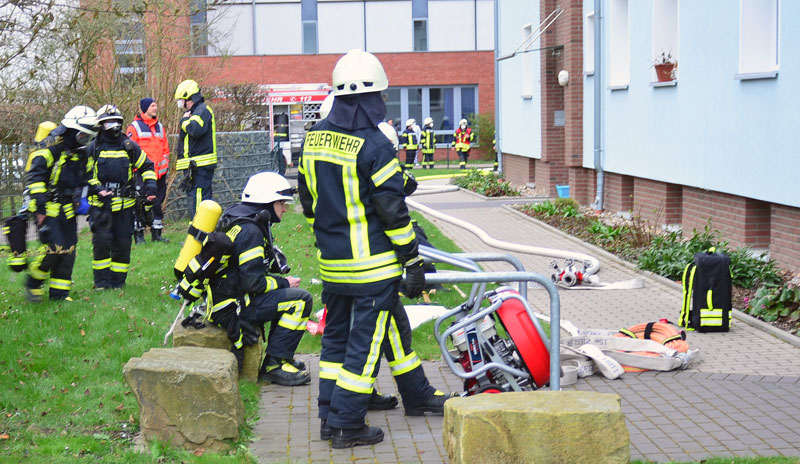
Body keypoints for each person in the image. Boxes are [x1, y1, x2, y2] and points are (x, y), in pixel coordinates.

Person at [297, 49, 430, 449]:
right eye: (381, 98)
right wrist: (412, 261)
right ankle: (348, 425)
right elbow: (394, 213)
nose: (383, 105)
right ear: (369, 97)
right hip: (372, 270)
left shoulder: (313, 139)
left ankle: (327, 418)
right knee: (363, 349)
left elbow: (309, 204)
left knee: (335, 343)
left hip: (333, 266)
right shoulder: (374, 145)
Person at [180, 172, 313, 385]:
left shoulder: (237, 216)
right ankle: (275, 364)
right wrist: (283, 282)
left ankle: (282, 356)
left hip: (225, 302)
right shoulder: (251, 231)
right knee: (300, 300)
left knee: (286, 295)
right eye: (281, 203)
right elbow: (254, 283)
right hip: (237, 308)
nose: (285, 208)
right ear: (267, 203)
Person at [23, 106, 99, 302]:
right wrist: (40, 210)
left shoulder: (82, 153)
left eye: (88, 138)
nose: (85, 141)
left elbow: (88, 177)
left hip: (67, 208)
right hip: (46, 208)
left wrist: (94, 195)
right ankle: (33, 282)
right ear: (72, 131)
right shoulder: (49, 147)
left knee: (69, 251)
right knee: (54, 248)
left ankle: (59, 295)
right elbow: (36, 179)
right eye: (83, 137)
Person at [87, 105, 156, 289]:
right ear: (101, 125)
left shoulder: (129, 146)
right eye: (109, 122)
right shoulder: (93, 148)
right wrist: (98, 189)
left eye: (117, 122)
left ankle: (118, 283)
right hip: (101, 206)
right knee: (101, 243)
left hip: (125, 205)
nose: (114, 126)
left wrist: (150, 187)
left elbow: (147, 166)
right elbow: (85, 174)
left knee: (123, 244)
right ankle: (102, 283)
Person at [127, 97, 171, 243]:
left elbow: (165, 150)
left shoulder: (160, 127)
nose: (156, 108)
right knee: (140, 203)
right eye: (153, 105)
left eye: (156, 105)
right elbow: (131, 151)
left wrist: (164, 166)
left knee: (157, 204)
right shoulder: (134, 127)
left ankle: (156, 235)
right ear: (145, 108)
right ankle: (139, 236)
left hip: (160, 174)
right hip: (142, 174)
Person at [174, 79, 217, 218]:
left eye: (181, 99)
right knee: (194, 199)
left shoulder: (202, 110)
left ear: (189, 98)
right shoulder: (194, 112)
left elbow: (195, 129)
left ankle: (200, 234)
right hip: (195, 166)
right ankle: (195, 234)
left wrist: (184, 121)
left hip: (200, 166)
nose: (180, 102)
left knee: (199, 200)